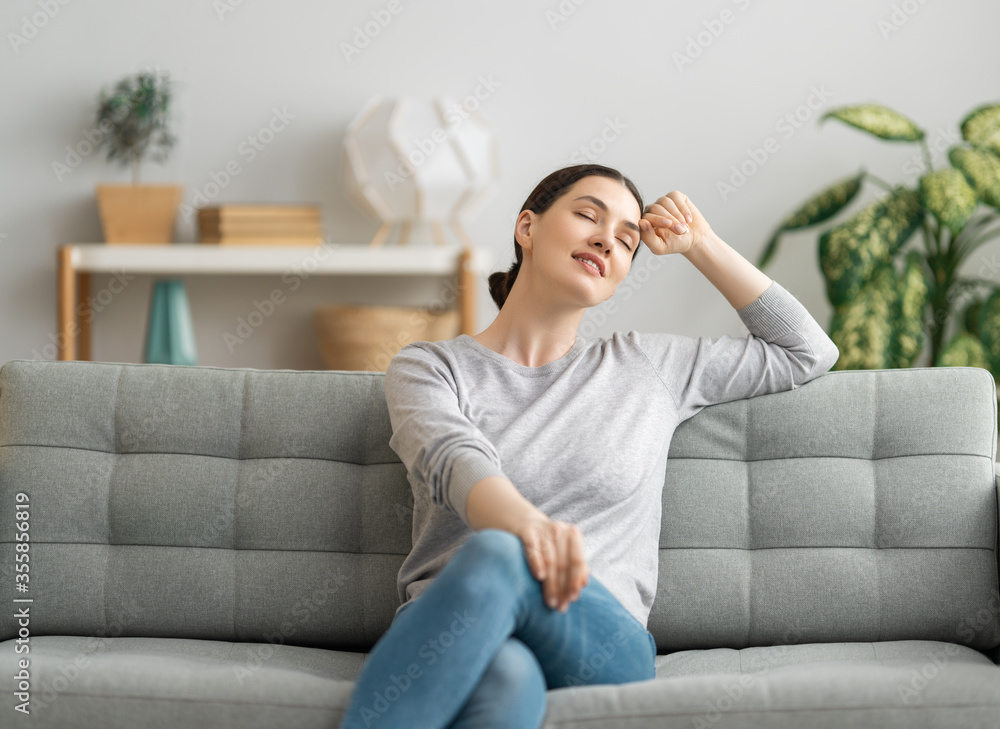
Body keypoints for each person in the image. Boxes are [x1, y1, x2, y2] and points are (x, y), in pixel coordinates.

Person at [336, 163, 840, 729]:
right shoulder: (429, 366)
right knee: (508, 676)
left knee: (500, 554)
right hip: (449, 622)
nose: (607, 238)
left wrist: (700, 243)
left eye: (627, 240)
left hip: (597, 638)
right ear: (527, 227)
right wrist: (529, 527)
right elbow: (450, 456)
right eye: (587, 215)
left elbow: (807, 351)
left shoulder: (649, 367)